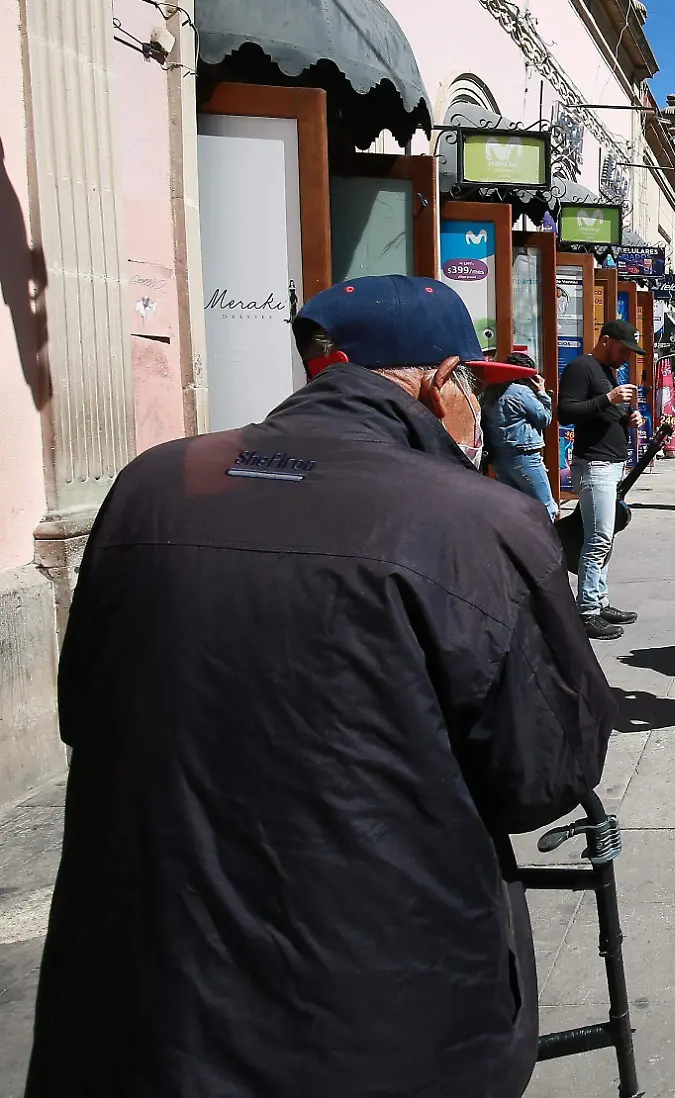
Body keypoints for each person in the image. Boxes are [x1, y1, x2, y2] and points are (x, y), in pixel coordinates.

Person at [25, 275, 617, 1098]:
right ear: (438, 379)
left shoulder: (152, 484)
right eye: (475, 387)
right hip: (381, 1003)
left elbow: (85, 705)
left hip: (145, 994)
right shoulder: (476, 521)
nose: (476, 411)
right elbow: (542, 775)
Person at [558, 318, 645, 639]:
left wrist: (626, 418)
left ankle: (599, 599)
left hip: (609, 465)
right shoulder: (582, 367)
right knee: (597, 540)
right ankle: (587, 610)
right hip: (595, 465)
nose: (627, 357)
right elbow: (566, 412)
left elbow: (600, 416)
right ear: (606, 341)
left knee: (605, 537)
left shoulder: (608, 373)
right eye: (624, 349)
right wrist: (609, 400)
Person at [482, 350, 558, 519]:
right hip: (525, 455)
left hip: (499, 459)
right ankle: (546, 544)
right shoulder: (521, 392)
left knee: (514, 509)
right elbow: (544, 418)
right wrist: (542, 393)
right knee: (546, 507)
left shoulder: (491, 391)